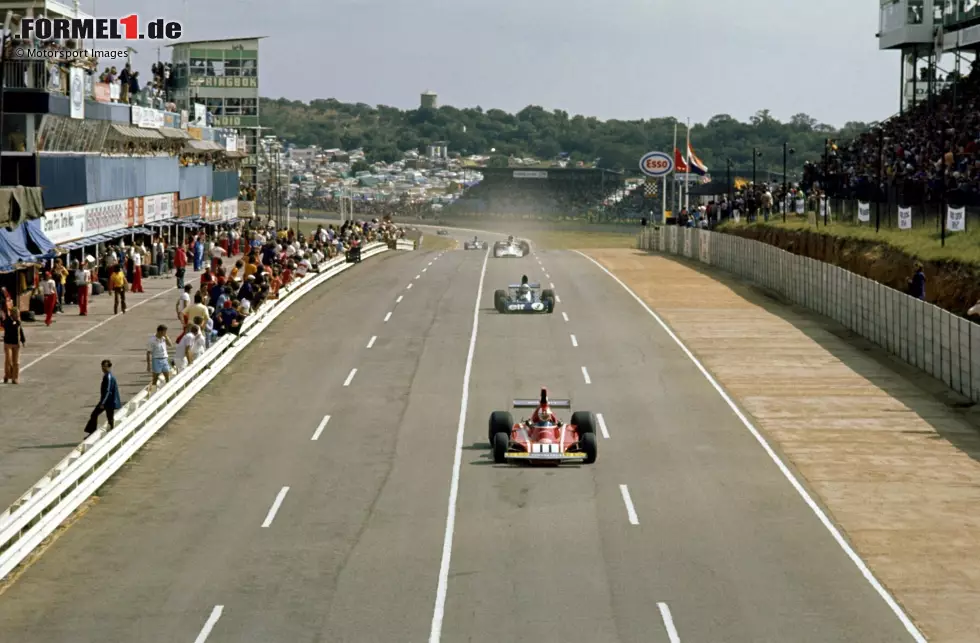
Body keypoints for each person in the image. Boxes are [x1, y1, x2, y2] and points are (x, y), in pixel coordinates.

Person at [84, 359, 122, 434]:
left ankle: (108, 432)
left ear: (109, 367)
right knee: (99, 415)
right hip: (107, 401)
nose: (103, 368)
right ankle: (92, 431)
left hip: (109, 402)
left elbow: (108, 391)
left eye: (105, 366)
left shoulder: (109, 377)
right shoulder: (107, 376)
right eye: (102, 366)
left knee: (106, 417)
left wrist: (102, 403)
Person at [147, 324, 174, 390]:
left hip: (164, 359)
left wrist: (167, 337)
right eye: (164, 332)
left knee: (167, 376)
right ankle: (153, 391)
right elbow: (148, 353)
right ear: (160, 331)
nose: (165, 333)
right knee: (155, 378)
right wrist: (148, 365)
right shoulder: (152, 340)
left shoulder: (164, 338)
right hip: (156, 360)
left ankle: (168, 390)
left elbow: (170, 345)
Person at [3, 307, 25, 384]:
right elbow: (7, 328)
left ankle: (15, 378)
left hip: (16, 343)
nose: (18, 315)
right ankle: (7, 375)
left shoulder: (18, 321)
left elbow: (20, 330)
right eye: (17, 313)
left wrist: (23, 340)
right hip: (8, 343)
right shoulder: (7, 320)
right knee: (8, 361)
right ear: (13, 313)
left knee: (16, 362)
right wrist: (15, 323)